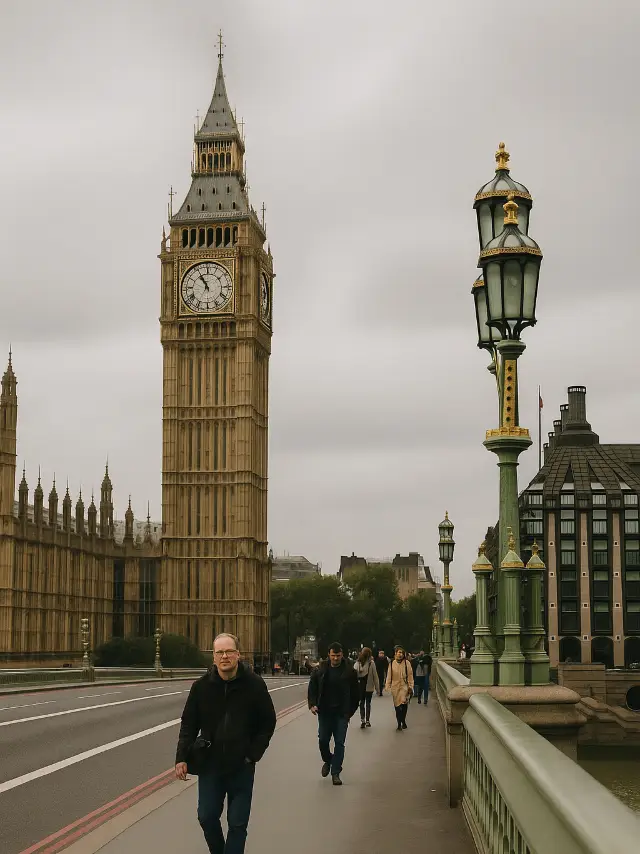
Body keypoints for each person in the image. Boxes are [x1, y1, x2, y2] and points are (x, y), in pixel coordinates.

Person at [175, 632, 277, 854]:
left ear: (238, 654)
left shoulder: (254, 685)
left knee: (237, 824)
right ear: (213, 657)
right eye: (219, 652)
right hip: (210, 764)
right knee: (206, 817)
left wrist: (253, 754)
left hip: (242, 765)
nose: (224, 656)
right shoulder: (201, 687)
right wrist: (181, 757)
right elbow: (188, 724)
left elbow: (268, 722)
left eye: (229, 651)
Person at [308, 641, 359, 786]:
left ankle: (336, 772)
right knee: (323, 740)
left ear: (342, 654)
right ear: (328, 655)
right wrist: (312, 704)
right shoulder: (321, 670)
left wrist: (350, 712)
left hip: (342, 714)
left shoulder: (349, 671)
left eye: (338, 655)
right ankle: (328, 760)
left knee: (339, 743)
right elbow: (313, 686)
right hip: (324, 712)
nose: (335, 658)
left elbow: (356, 693)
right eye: (333, 655)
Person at [385, 645, 414, 731]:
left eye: (402, 653)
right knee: (397, 706)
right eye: (399, 652)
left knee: (404, 703)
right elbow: (389, 676)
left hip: (404, 687)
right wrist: (387, 686)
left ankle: (403, 720)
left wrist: (410, 686)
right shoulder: (391, 664)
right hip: (395, 687)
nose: (400, 654)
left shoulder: (406, 663)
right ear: (395, 653)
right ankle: (399, 723)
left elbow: (410, 676)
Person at [353, 646, 380, 728]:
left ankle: (362, 720)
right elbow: (375, 676)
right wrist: (378, 689)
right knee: (368, 703)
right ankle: (368, 720)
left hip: (360, 687)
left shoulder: (357, 663)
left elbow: (353, 674)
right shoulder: (371, 663)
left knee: (361, 703)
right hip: (369, 687)